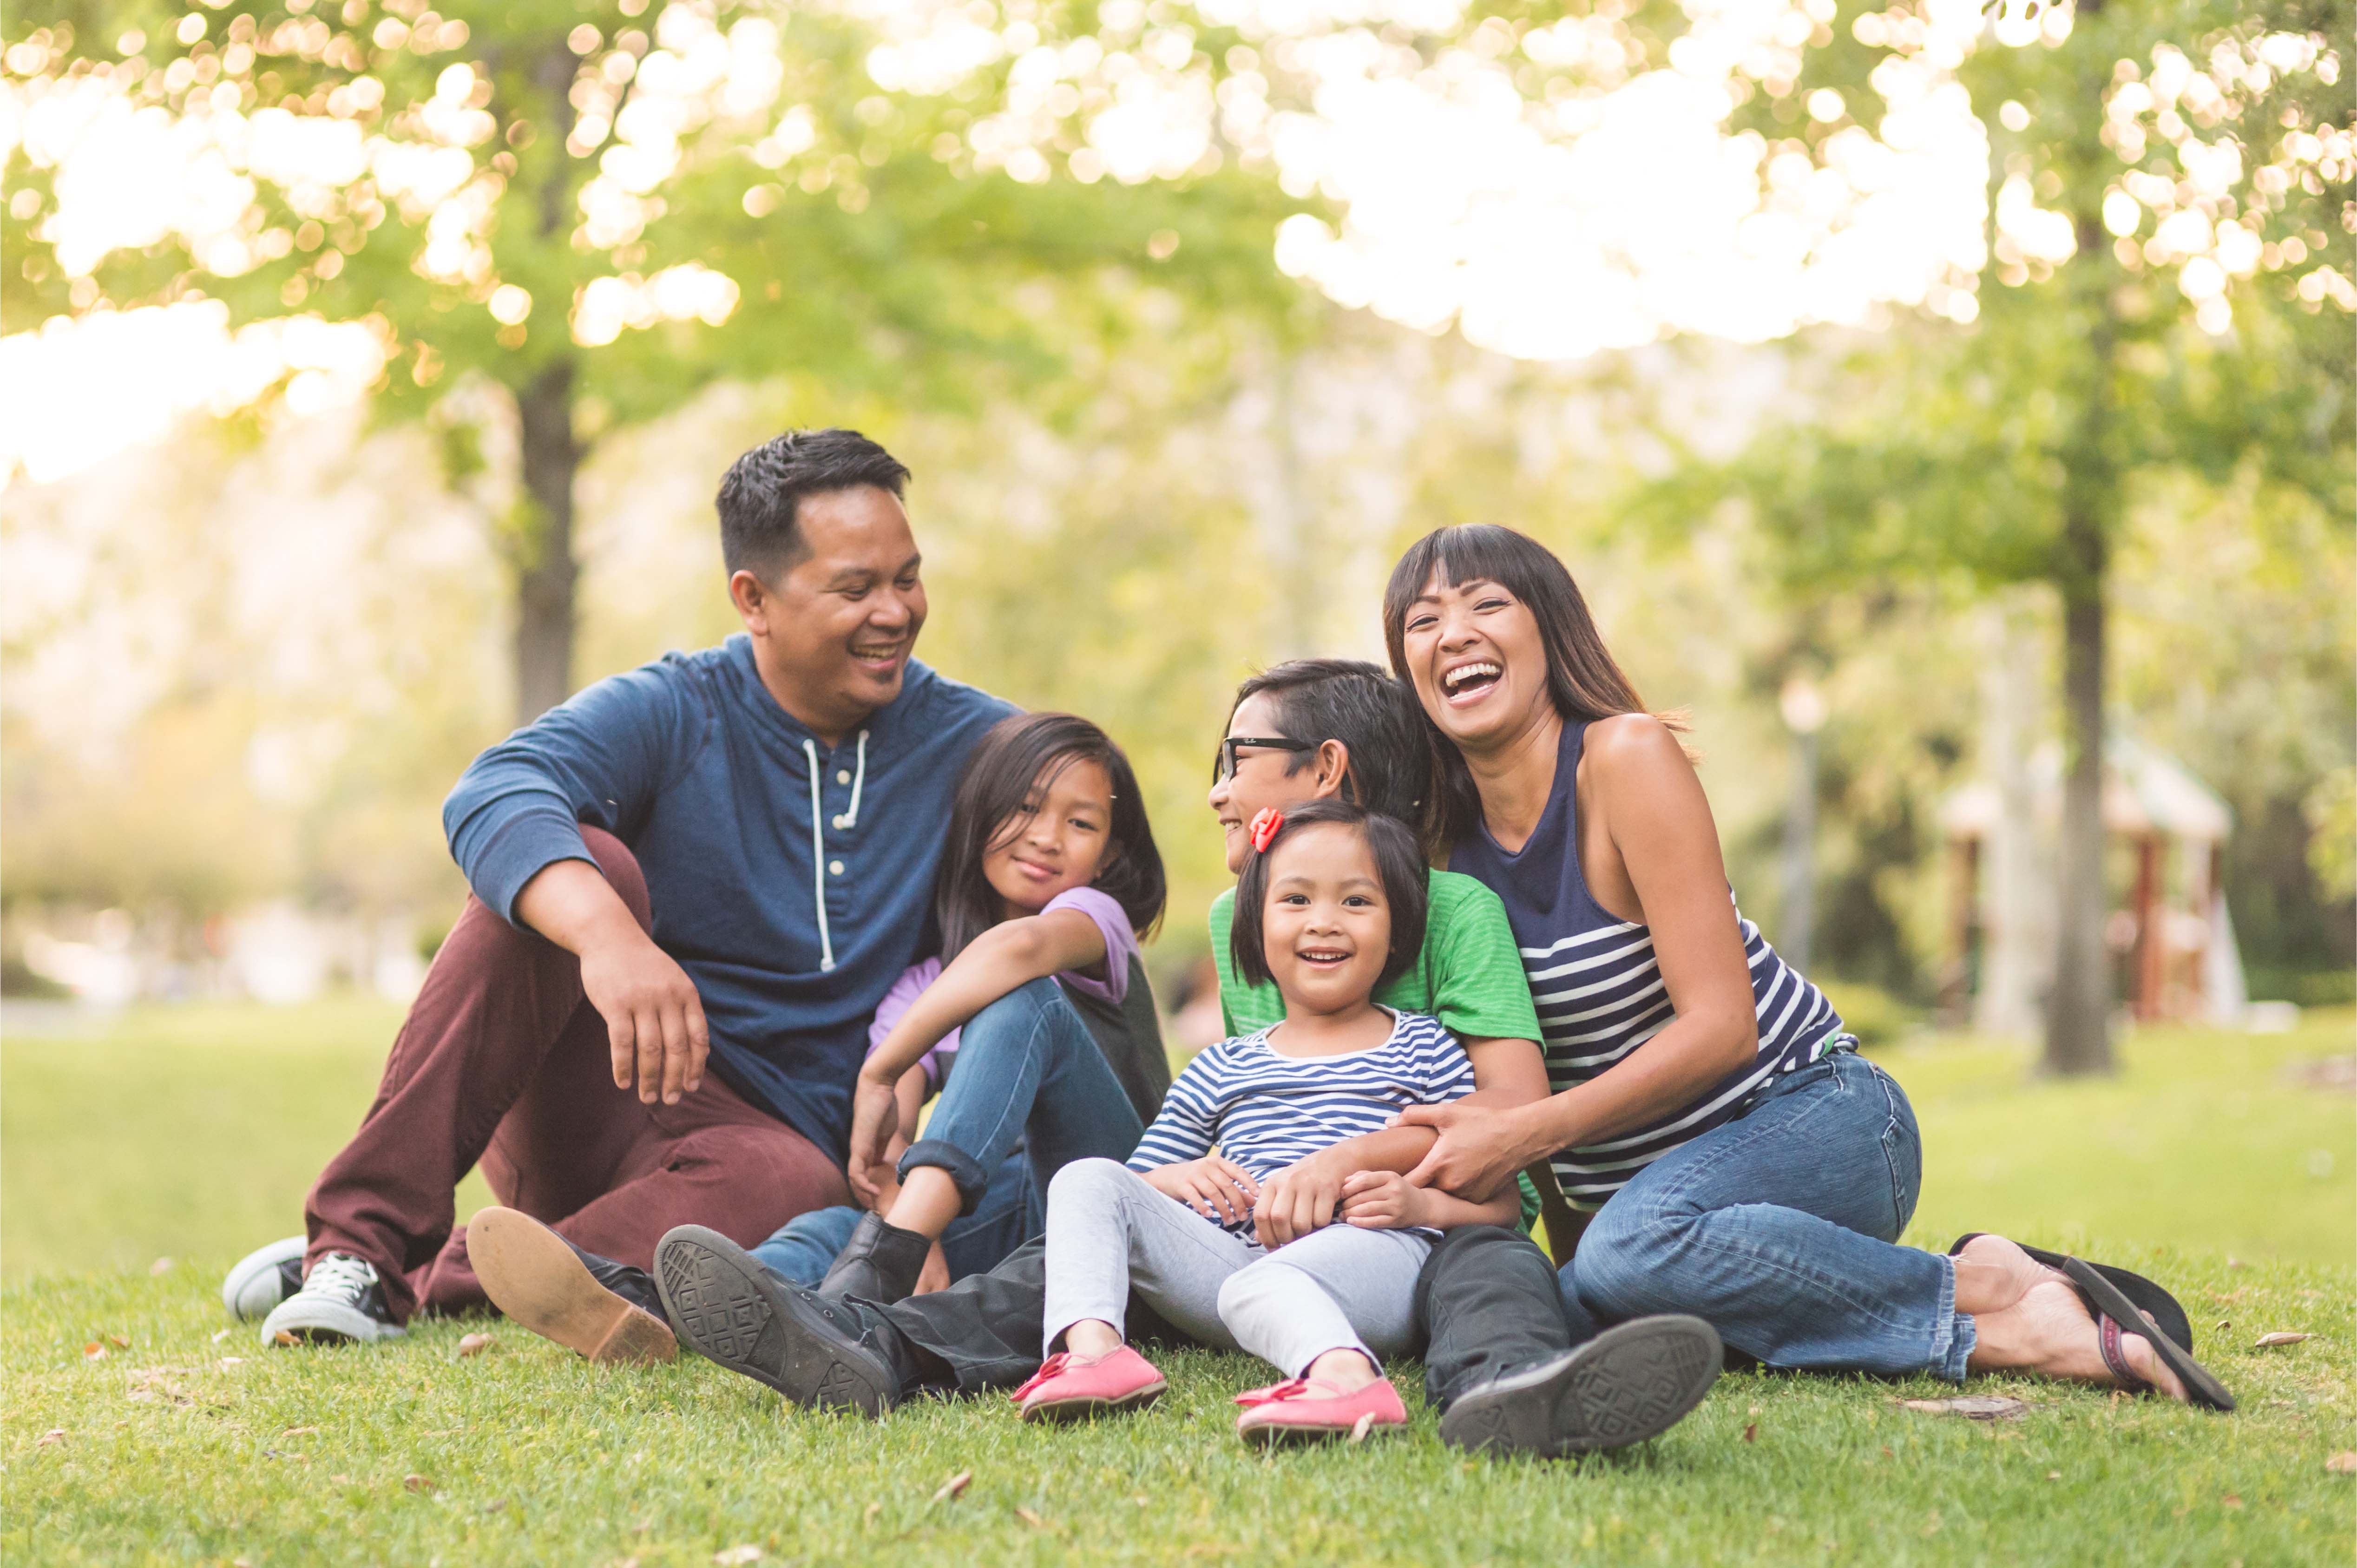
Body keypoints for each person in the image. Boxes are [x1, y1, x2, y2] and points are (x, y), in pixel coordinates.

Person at [643, 659, 1727, 1451]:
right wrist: (1193, 1186)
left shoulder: (1450, 933)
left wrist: (1380, 1180)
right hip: (1244, 1242)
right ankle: (879, 1345)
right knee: (1079, 1227)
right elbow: (1209, 1139)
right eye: (1292, 902)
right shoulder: (1233, 938)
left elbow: (1502, 1147)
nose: (1215, 789)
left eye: (1234, 759)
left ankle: (1512, 1390)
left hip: (1408, 1234)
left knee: (1490, 1263)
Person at [1377, 523, 2233, 1412]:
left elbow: (1722, 1029)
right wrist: (1579, 1272)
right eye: (1423, 621)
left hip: (1815, 1119)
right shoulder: (1436, 854)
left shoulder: (1622, 758)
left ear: (1549, 630)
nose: (1454, 634)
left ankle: (2005, 1314)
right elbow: (1532, 1075)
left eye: (1486, 605)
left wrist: (1532, 1142)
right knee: (1554, 1299)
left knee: (1627, 1257)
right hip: (1657, 1210)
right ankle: (1974, 1270)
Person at [220, 429, 1015, 1351]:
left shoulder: (978, 747)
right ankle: (361, 1245)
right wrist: (610, 938)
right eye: (855, 588)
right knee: (580, 864)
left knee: (798, 1185)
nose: (895, 611)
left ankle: (435, 1275)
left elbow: (1093, 864)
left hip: (763, 1157)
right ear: (753, 599)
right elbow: (494, 790)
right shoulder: (677, 707)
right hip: (601, 1096)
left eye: (907, 578)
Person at [475, 709, 1170, 1349]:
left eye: (1081, 824)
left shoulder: (1094, 924)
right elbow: (892, 1134)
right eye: (1024, 808)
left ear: (1109, 855)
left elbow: (1018, 953)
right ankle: (654, 1307)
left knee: (1024, 1005)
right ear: (979, 813)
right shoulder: (923, 985)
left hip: (1123, 1200)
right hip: (1011, 1226)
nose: (1047, 837)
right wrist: (909, 1215)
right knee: (828, 1229)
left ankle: (879, 1267)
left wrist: (881, 1070)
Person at [1014, 801, 1533, 1446]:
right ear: (1254, 928)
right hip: (1235, 1269)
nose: (1324, 922)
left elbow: (1501, 1203)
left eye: (1356, 902)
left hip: (1377, 1264)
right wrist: (1181, 1178)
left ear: (1397, 929)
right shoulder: (1222, 1065)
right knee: (1086, 1178)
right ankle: (1094, 1353)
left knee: (1261, 1284)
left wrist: (1421, 1204)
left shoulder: (1424, 1048)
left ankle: (1346, 1380)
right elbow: (1135, 1186)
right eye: (1295, 900)